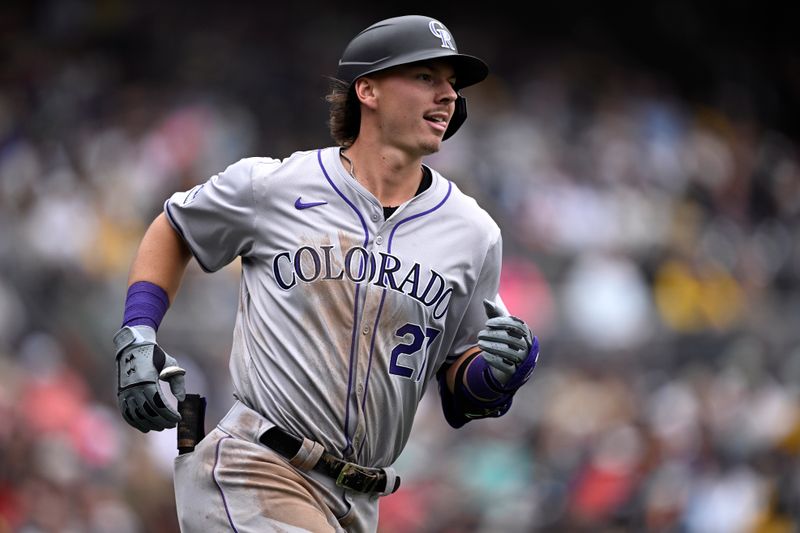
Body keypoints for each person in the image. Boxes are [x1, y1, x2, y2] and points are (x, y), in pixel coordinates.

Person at [113, 14, 540, 533]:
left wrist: (499, 371)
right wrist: (137, 332)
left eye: (452, 83)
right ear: (368, 90)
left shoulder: (474, 233)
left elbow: (458, 386)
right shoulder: (272, 186)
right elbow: (175, 229)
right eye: (427, 76)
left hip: (360, 499)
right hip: (257, 466)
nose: (448, 94)